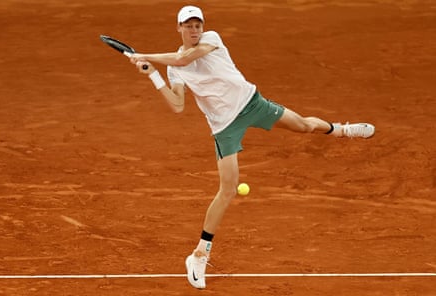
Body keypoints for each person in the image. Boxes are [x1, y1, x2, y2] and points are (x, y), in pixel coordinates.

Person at [129, 5, 375, 289]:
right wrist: (152, 74)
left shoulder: (212, 39)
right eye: (189, 25)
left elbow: (187, 58)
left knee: (305, 126)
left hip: (252, 103)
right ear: (179, 28)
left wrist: (146, 55)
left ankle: (342, 129)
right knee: (228, 189)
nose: (195, 30)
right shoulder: (173, 67)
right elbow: (177, 105)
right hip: (224, 127)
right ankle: (198, 254)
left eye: (197, 25)